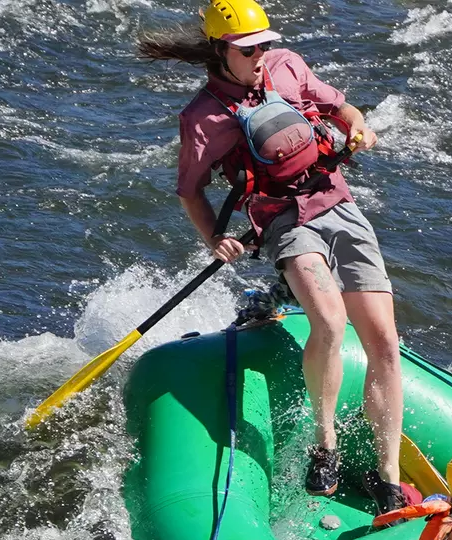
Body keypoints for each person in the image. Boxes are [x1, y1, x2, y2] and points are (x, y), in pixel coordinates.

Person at [139, 0, 410, 512]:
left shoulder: (287, 65)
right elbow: (190, 191)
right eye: (247, 49)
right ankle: (324, 444)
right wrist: (212, 240)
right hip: (283, 220)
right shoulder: (203, 117)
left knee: (385, 343)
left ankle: (388, 476)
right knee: (328, 322)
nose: (259, 54)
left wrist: (359, 126)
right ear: (221, 51)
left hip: (339, 204)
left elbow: (340, 107)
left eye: (262, 43)